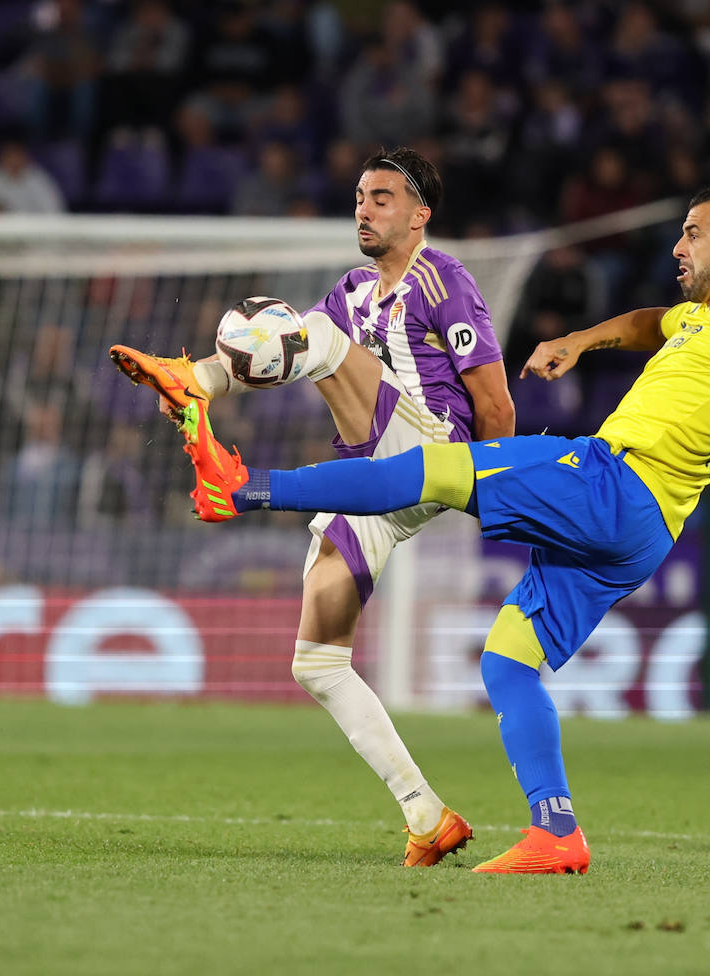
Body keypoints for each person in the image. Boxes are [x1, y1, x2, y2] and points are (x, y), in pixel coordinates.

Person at [171, 186, 710, 873]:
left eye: (693, 234)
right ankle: (555, 832)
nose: (679, 246)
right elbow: (646, 323)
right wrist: (580, 342)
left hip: (611, 483)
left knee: (433, 467)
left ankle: (247, 488)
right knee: (508, 662)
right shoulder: (701, 317)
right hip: (643, 534)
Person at [107, 146, 515, 868]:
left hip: (429, 448)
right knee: (317, 662)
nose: (365, 207)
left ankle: (188, 381)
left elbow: (495, 403)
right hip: (372, 483)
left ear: (421, 214)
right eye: (360, 195)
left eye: (383, 197)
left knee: (317, 337)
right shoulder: (353, 289)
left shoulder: (441, 278)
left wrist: (493, 489)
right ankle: (427, 815)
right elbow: (280, 350)